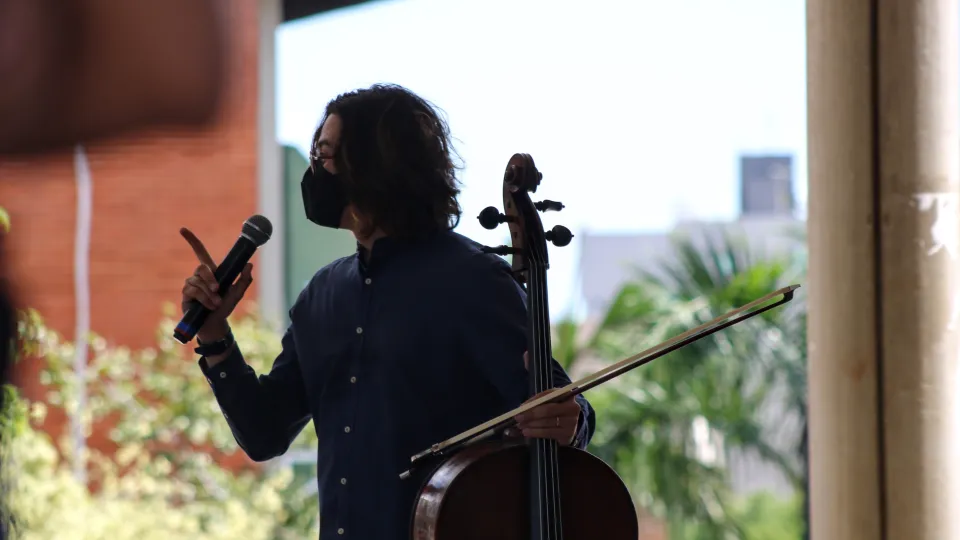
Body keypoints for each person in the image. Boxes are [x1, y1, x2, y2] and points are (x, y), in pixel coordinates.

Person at [179, 84, 595, 540]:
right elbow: (264, 434)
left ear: (378, 162)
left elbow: (561, 407)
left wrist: (569, 421)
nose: (315, 170)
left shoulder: (474, 281)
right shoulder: (321, 295)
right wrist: (214, 336)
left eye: (325, 154)